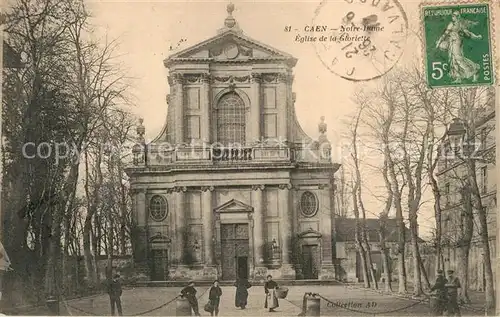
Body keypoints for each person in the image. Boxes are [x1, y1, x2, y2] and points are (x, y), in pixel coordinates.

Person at [435, 10, 482, 83]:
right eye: (452, 15)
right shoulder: (451, 24)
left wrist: (476, 37)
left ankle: (474, 70)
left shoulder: (460, 24)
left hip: (457, 42)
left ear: (457, 17)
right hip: (451, 42)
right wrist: (439, 42)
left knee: (459, 58)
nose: (452, 17)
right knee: (453, 60)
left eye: (454, 16)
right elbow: (445, 34)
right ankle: (458, 78)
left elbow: (468, 33)